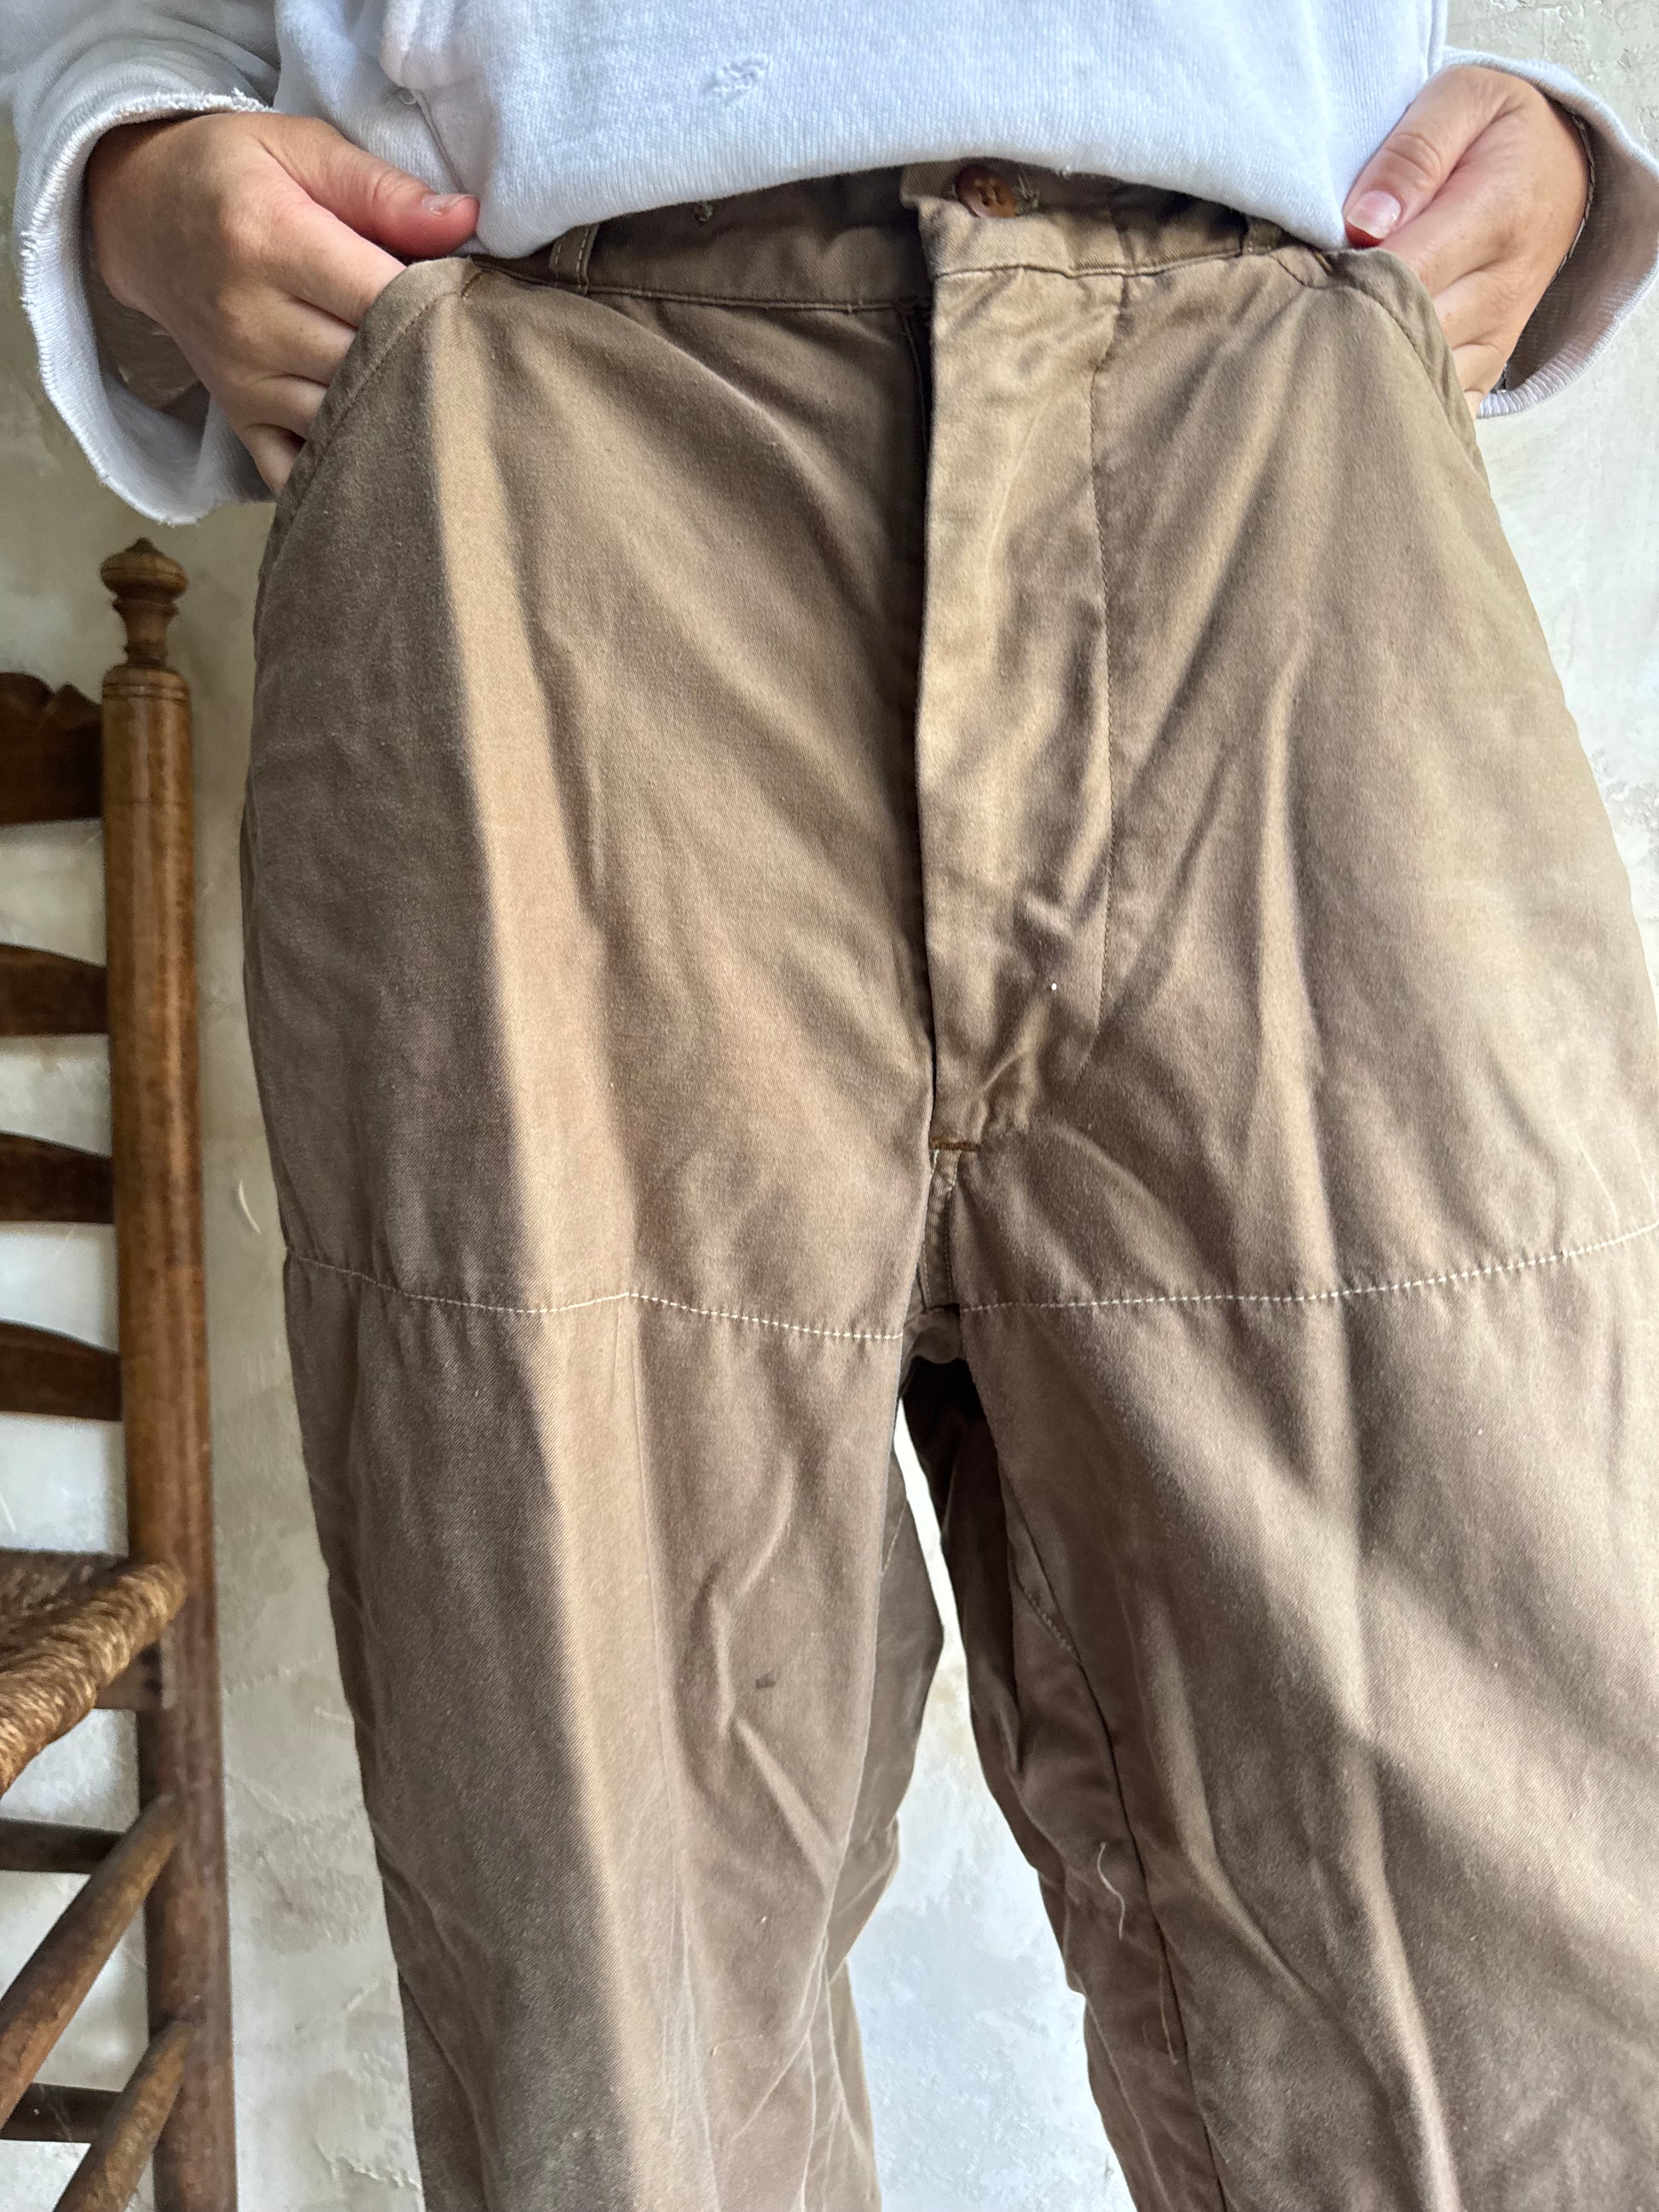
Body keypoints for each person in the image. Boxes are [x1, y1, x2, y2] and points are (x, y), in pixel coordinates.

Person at [7, 7, 1659, 2208]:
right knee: (615, 2012)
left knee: (1525, 1971)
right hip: (542, 474)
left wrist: (1569, 147)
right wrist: (125, 162)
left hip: (1275, 454)